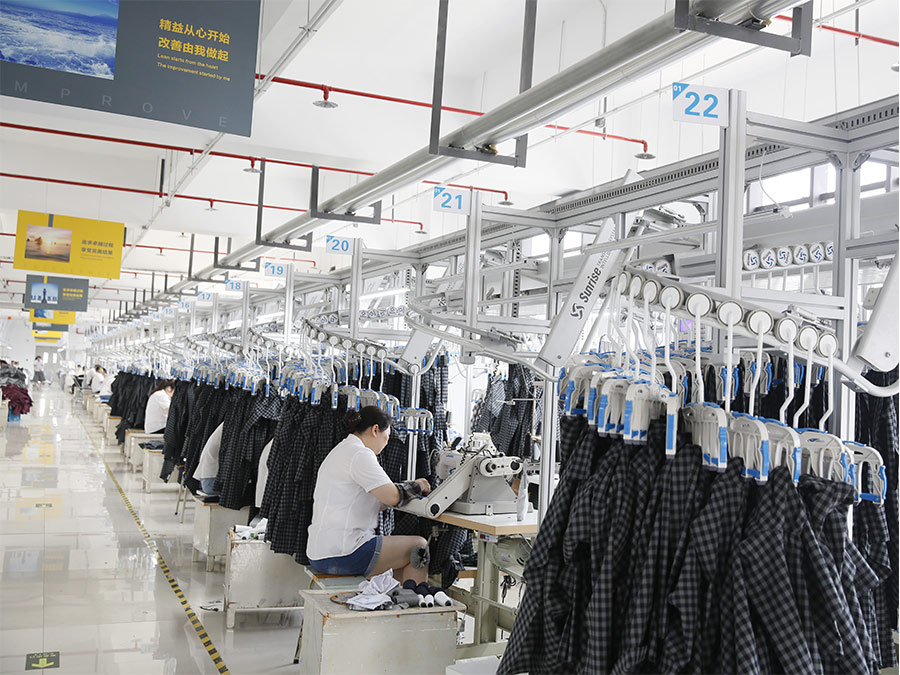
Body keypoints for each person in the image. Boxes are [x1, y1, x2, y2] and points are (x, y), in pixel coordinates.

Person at [306, 406, 432, 583]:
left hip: (319, 551)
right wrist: (419, 485)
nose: (386, 443)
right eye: (387, 436)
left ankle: (399, 597)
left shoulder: (341, 449)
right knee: (419, 547)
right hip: (343, 553)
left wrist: (399, 492)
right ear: (375, 430)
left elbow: (377, 500)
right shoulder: (360, 454)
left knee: (399, 559)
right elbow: (393, 497)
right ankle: (416, 598)